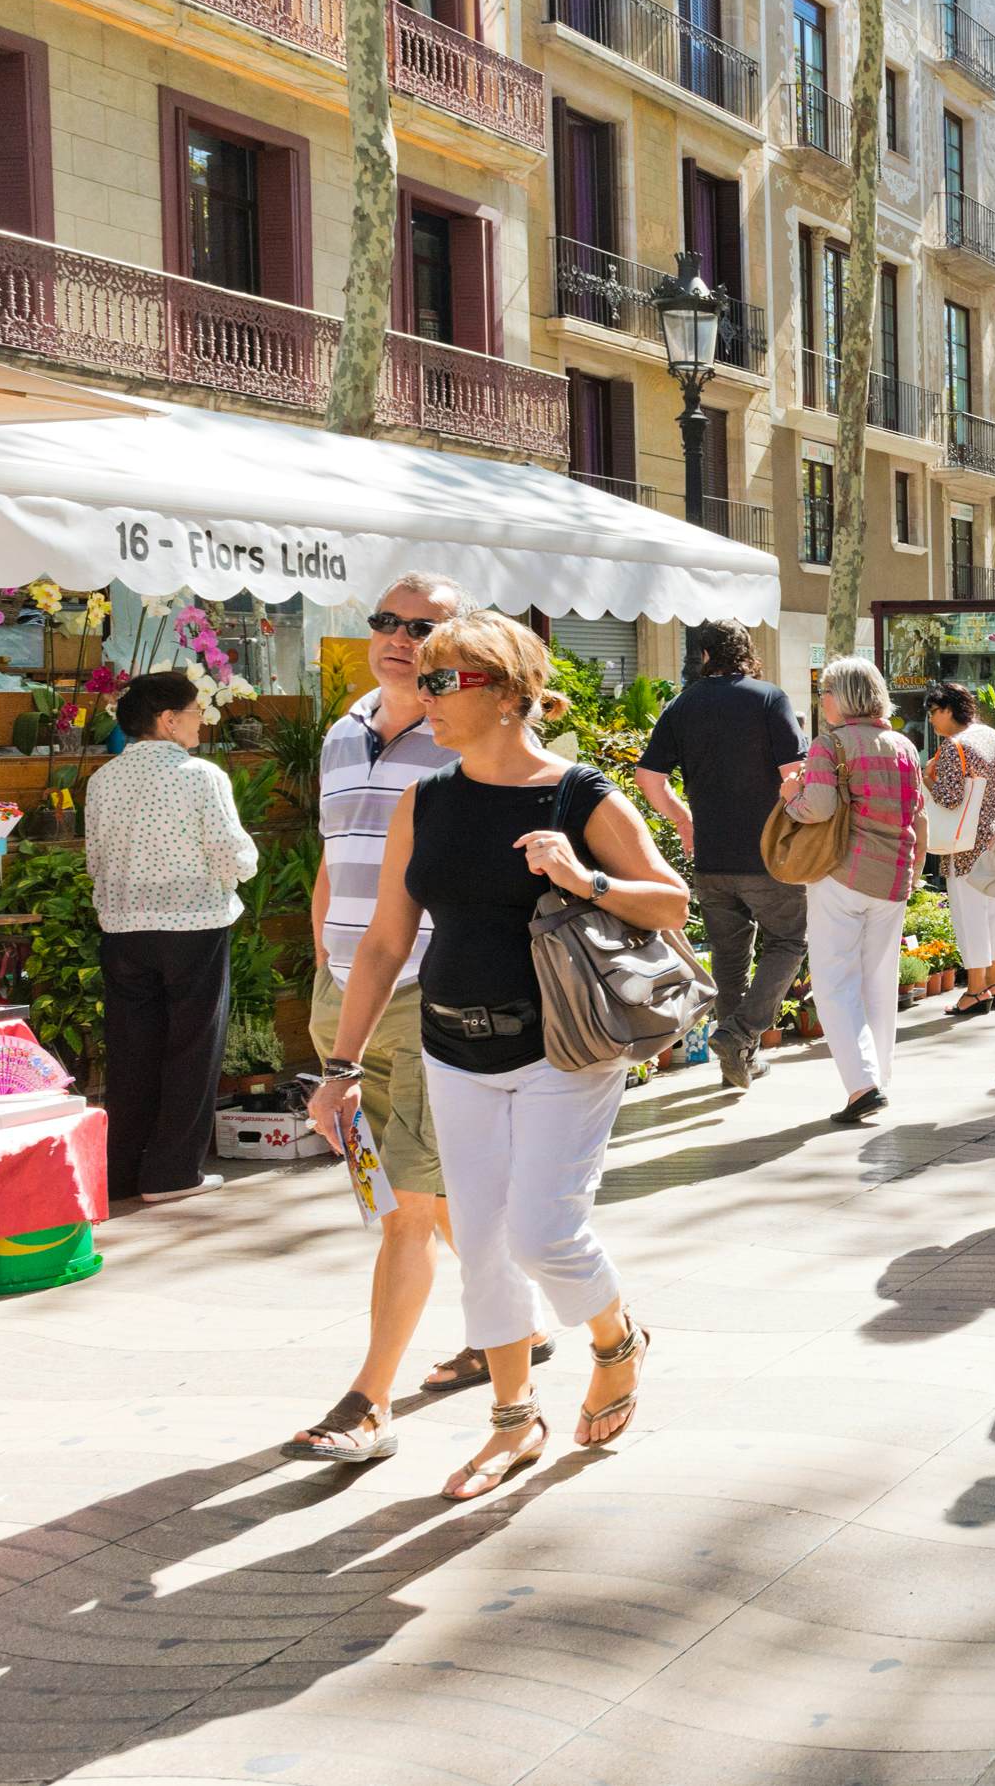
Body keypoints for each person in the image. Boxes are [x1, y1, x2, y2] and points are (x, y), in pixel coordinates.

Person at [308, 610, 685, 1500]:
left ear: (511, 695)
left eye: (445, 680)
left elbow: (667, 904)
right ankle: (514, 1422)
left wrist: (582, 876)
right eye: (423, 680)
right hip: (450, 1041)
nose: (425, 694)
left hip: (561, 1044)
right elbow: (385, 942)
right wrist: (339, 1066)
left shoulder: (578, 796)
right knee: (480, 1241)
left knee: (543, 1233)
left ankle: (615, 1338)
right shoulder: (428, 798)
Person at [289, 576, 553, 1460]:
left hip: (436, 990)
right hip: (351, 989)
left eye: (424, 628)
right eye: (388, 623)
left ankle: (370, 1402)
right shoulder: (342, 732)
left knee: (406, 1200)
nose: (400, 639)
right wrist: (327, 970)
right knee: (426, 1190)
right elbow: (334, 858)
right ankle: (518, 1316)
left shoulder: (467, 743)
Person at [86, 668, 257, 1204]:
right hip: (193, 924)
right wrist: (241, 870)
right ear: (167, 720)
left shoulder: (102, 779)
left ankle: (121, 1171)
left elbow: (94, 859)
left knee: (132, 1049)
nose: (201, 725)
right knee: (192, 1046)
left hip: (123, 927)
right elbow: (233, 853)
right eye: (194, 714)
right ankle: (172, 1173)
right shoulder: (199, 774)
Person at [637, 621, 809, 1093]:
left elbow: (649, 778)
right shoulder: (768, 697)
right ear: (744, 652)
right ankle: (739, 1035)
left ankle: (739, 1063)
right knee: (789, 942)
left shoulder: (683, 704)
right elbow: (792, 773)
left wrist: (684, 820)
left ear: (705, 655)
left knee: (730, 960)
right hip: (769, 855)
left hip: (712, 856)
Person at [778, 657, 926, 1126]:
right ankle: (879, 1078)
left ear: (843, 698)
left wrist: (789, 797)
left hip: (842, 874)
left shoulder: (831, 745)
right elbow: (917, 816)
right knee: (878, 982)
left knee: (833, 981)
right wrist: (915, 871)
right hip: (892, 878)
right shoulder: (903, 744)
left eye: (826, 692)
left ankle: (862, 1085)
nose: (822, 700)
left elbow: (818, 807)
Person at [922, 680, 995, 1018]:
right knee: (993, 913)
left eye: (934, 712)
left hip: (964, 846)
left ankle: (975, 990)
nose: (932, 720)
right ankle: (993, 982)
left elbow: (948, 798)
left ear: (948, 710)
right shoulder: (993, 738)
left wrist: (926, 777)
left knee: (969, 916)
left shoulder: (953, 747)